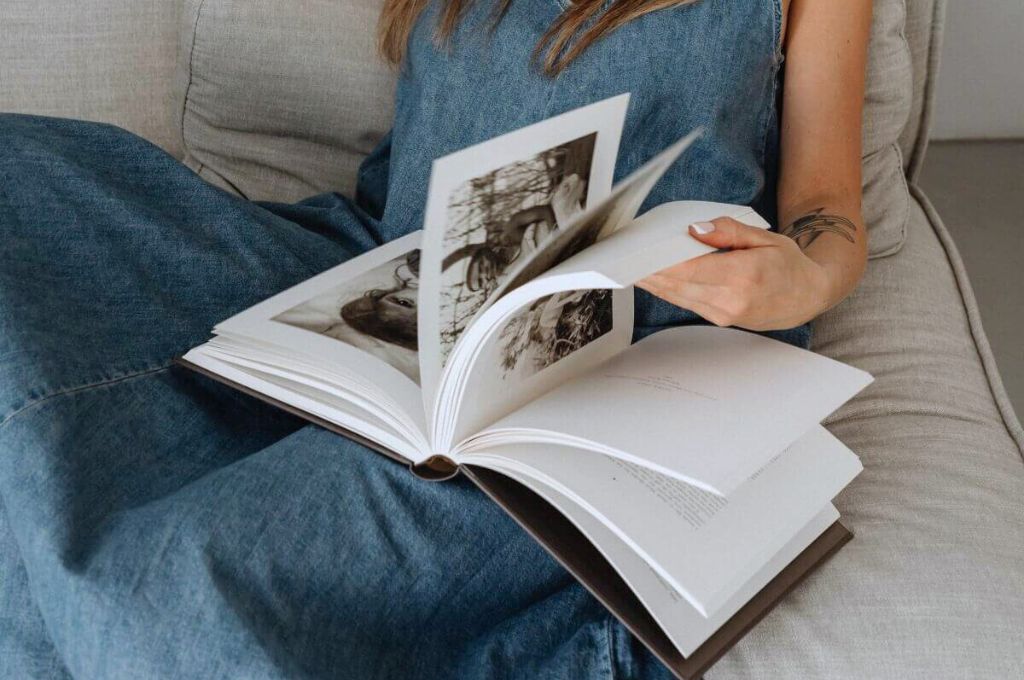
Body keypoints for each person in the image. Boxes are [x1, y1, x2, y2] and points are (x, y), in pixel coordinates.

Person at [0, 0, 872, 677]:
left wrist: (802, 276)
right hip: (387, 274)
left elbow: (829, 215)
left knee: (177, 589)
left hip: (609, 360)